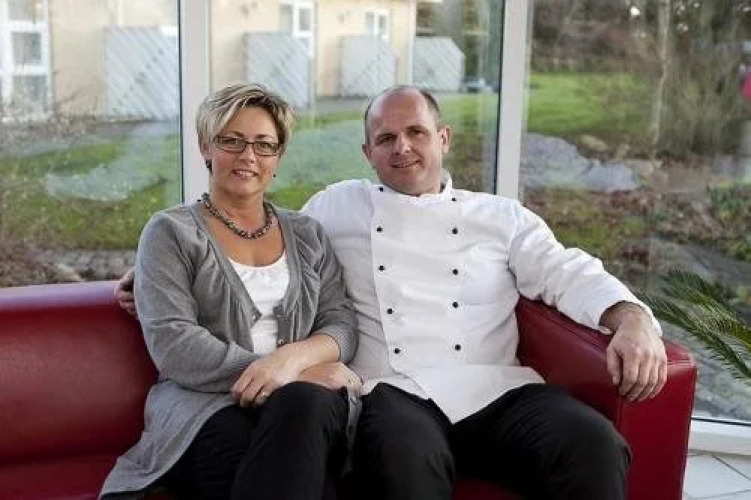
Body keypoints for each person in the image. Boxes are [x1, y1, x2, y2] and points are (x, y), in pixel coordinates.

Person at [117, 85, 667, 500]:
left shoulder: (502, 216)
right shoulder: (336, 207)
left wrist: (631, 317)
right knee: (401, 461)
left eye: (416, 133)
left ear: (443, 138)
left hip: (498, 388)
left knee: (594, 443)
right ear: (367, 151)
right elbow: (241, 240)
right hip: (396, 394)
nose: (402, 148)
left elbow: (565, 270)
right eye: (385, 138)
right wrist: (150, 272)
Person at [102, 83, 360, 500]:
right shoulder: (170, 232)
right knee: (290, 457)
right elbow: (175, 345)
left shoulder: (308, 233)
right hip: (202, 408)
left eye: (264, 145)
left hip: (303, 406)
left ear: (278, 156)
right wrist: (283, 374)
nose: (248, 156)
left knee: (302, 411)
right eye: (232, 141)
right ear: (206, 146)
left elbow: (341, 322)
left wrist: (291, 363)